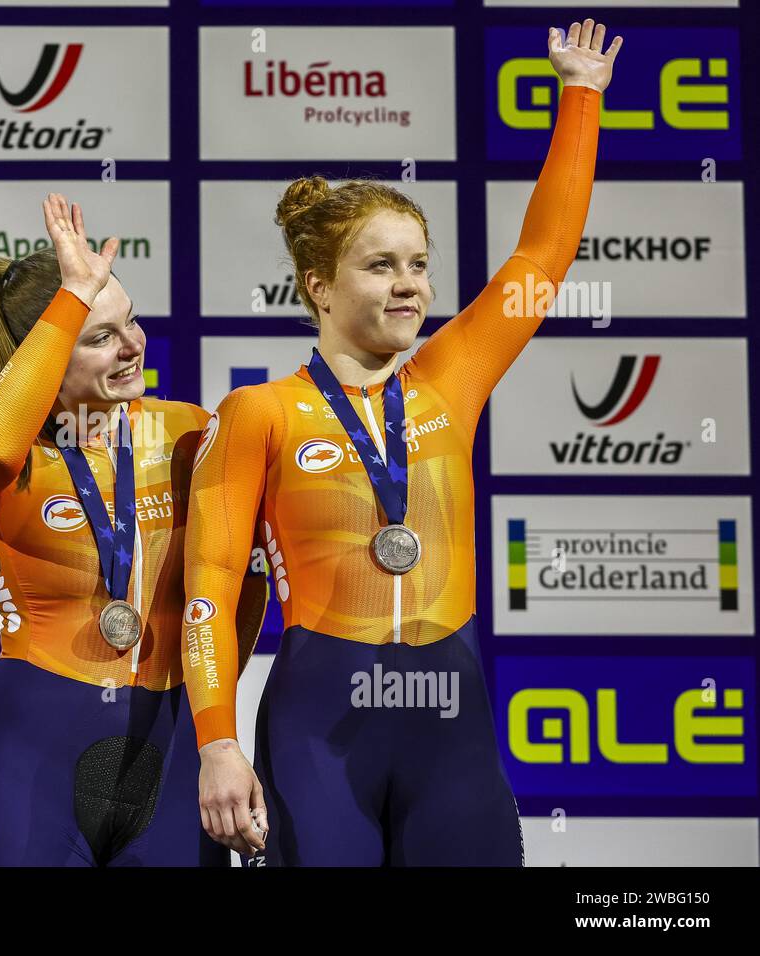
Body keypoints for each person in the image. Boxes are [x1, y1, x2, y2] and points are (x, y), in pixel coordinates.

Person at [183, 19, 620, 864]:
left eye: (418, 264)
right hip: (318, 725)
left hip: (450, 717)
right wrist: (216, 743)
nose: (410, 284)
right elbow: (207, 589)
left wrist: (581, 96)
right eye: (381, 265)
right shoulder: (258, 413)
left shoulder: (453, 376)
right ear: (319, 285)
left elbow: (543, 256)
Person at [0, 194, 266, 866]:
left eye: (131, 322)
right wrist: (72, 298)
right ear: (44, 354)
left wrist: (216, 721)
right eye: (100, 336)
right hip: (35, 743)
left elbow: (240, 589)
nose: (134, 345)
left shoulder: (187, 432)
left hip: (170, 745)